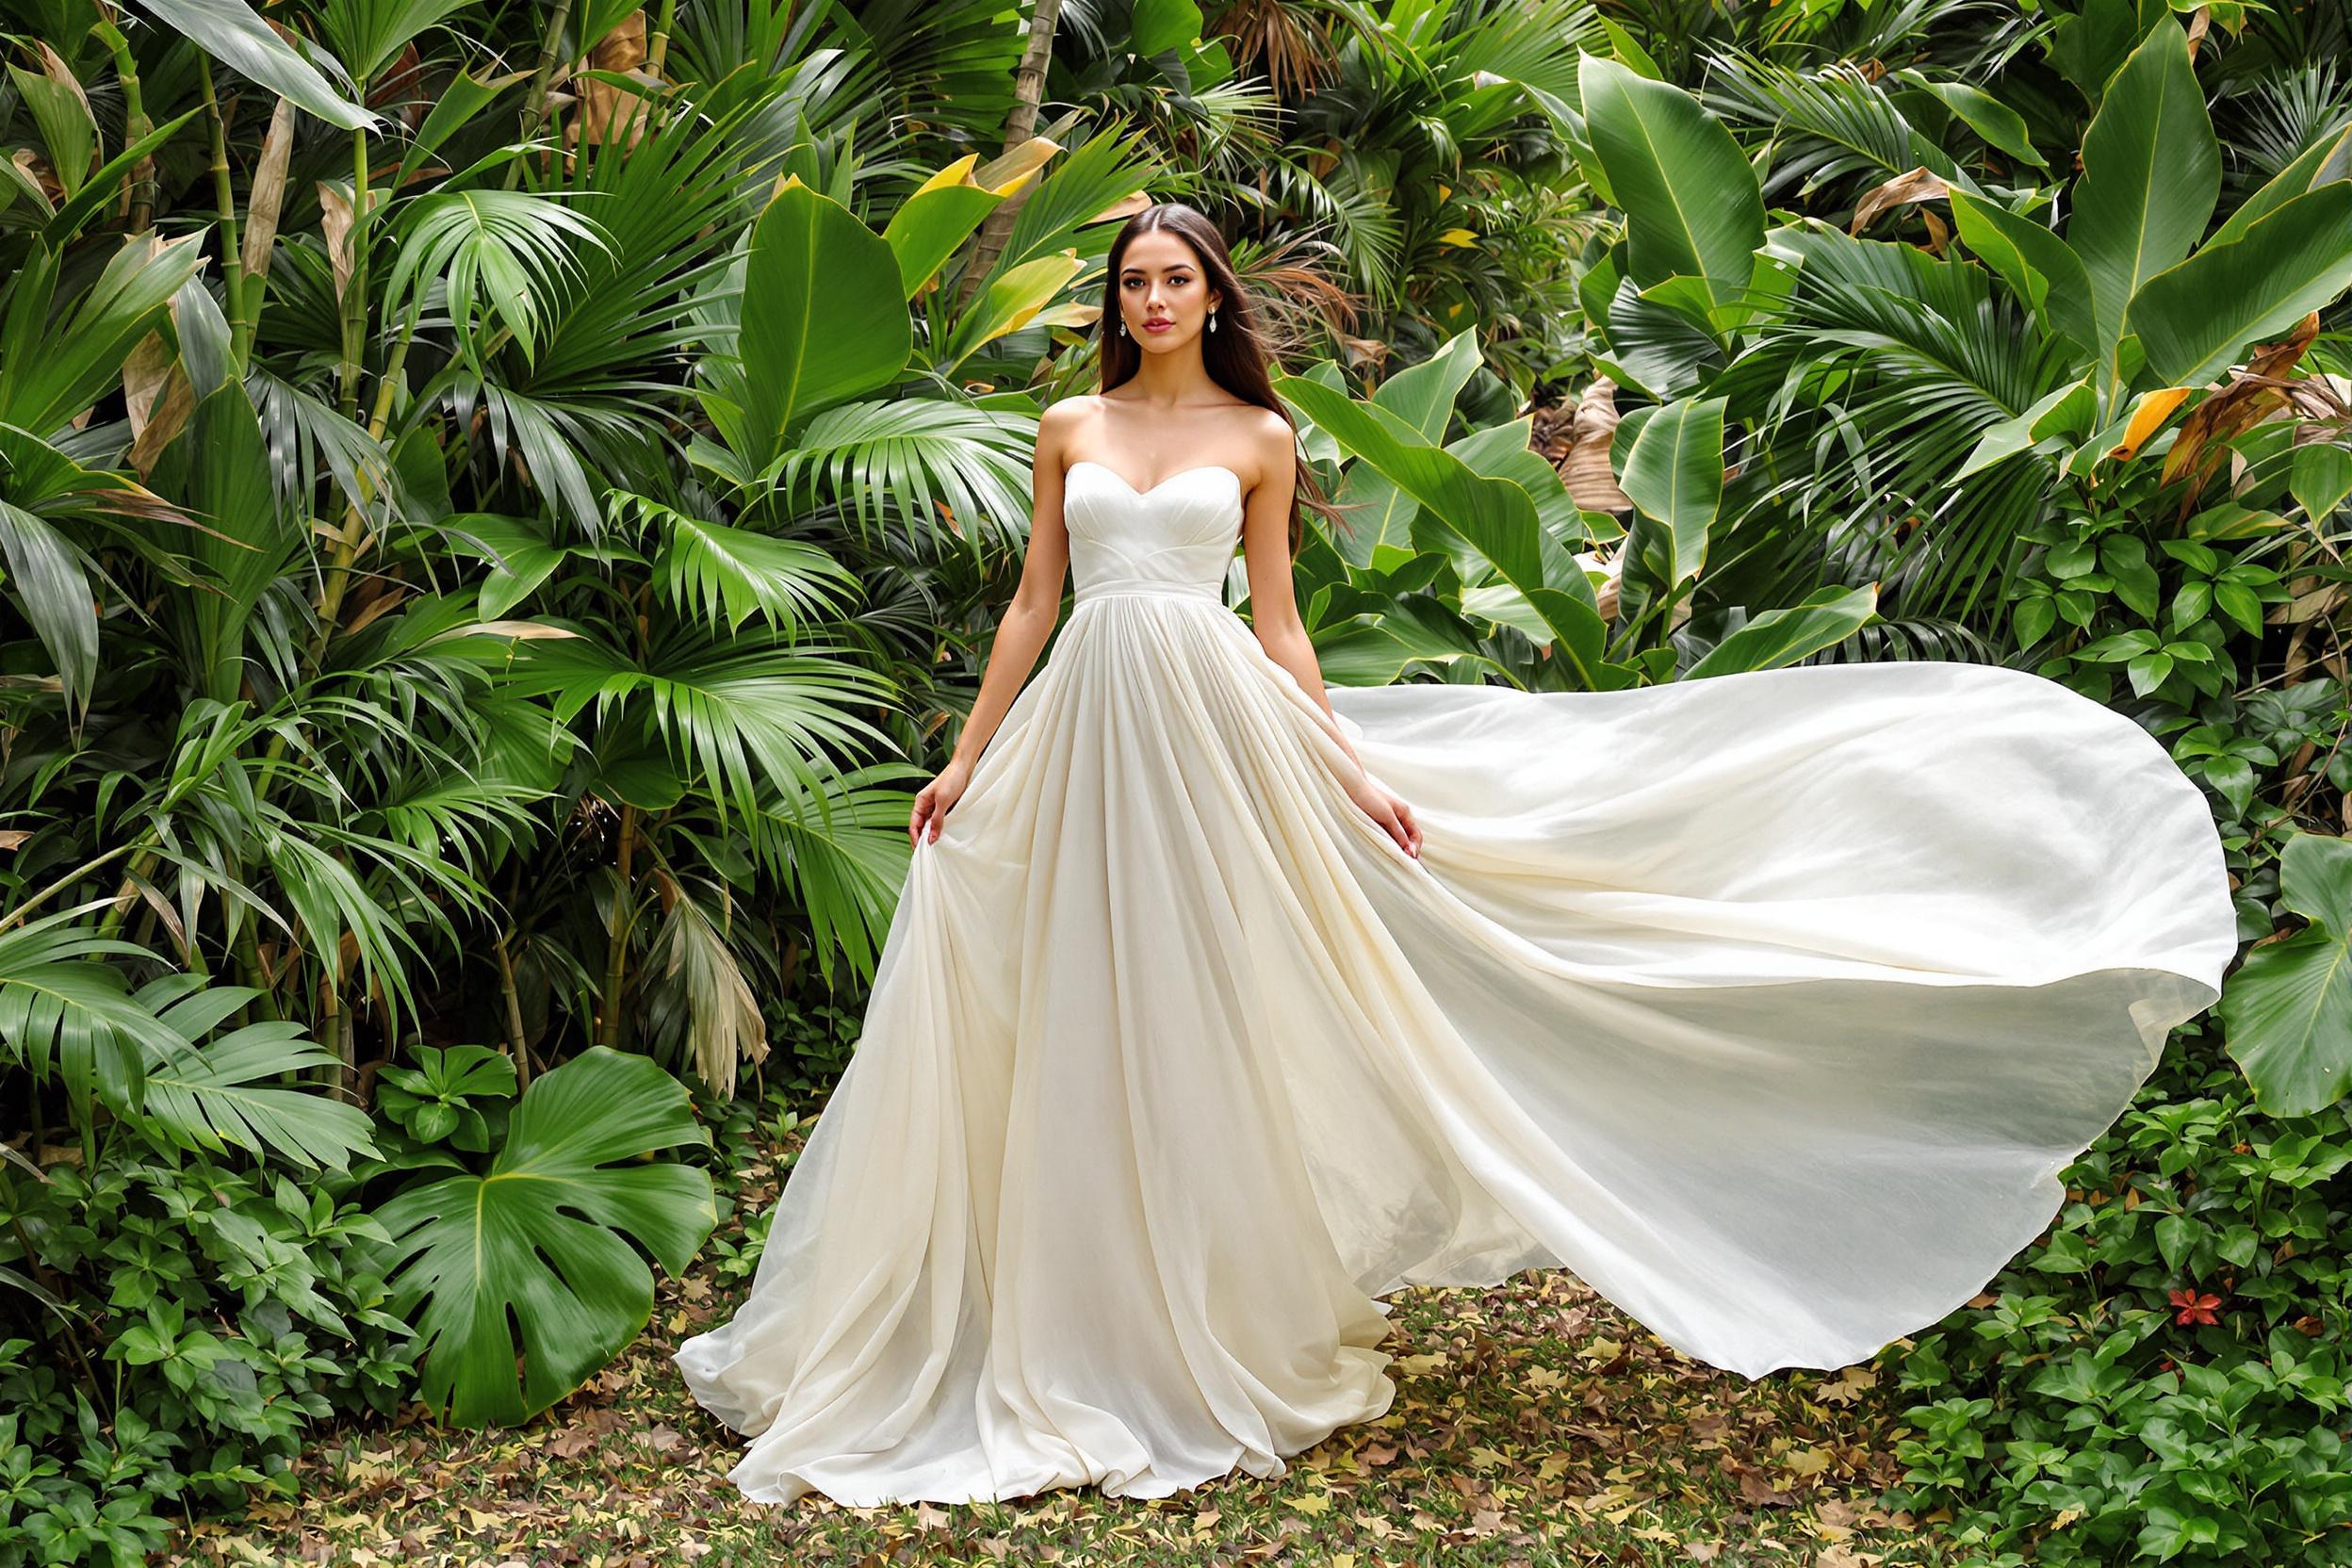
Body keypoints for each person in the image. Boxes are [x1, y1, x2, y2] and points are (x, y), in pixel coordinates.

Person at [674, 202, 2239, 1507]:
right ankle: (1058, 1302)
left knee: (1207, 1001)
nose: (1153, 299)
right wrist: (966, 756)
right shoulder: (1068, 423)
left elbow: (1278, 623)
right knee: (1072, 994)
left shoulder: (1262, 434)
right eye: (1133, 282)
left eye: (1176, 279)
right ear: (1116, 303)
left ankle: (1192, 1305)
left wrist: (1351, 772)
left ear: (1214, 295)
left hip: (1219, 732)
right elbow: (1032, 601)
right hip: (1086, 730)